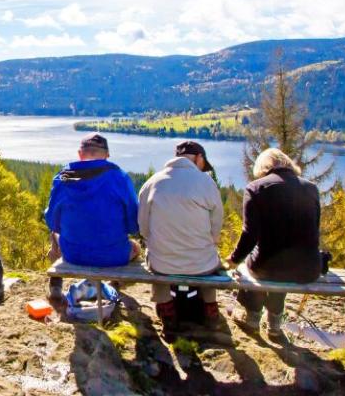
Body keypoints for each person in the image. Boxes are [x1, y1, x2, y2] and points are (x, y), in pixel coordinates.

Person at [227, 148, 322, 340]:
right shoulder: (311, 188)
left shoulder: (255, 189)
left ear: (263, 168)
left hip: (268, 267)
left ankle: (252, 317)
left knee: (256, 265)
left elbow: (249, 234)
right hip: (308, 269)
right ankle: (275, 324)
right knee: (286, 261)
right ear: (287, 164)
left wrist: (234, 259)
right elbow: (315, 229)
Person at [138, 141, 223, 329]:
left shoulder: (153, 183)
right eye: (203, 163)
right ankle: (210, 306)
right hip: (201, 264)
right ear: (199, 158)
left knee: (155, 261)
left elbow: (143, 228)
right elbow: (216, 226)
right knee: (212, 260)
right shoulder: (206, 182)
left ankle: (166, 307)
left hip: (163, 263)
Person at [44, 133, 140, 300]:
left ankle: (55, 284)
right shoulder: (119, 177)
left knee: (55, 233)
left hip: (73, 253)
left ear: (80, 154)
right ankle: (114, 283)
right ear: (107, 156)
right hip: (114, 255)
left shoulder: (66, 176)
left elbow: (52, 221)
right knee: (136, 247)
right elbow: (133, 224)